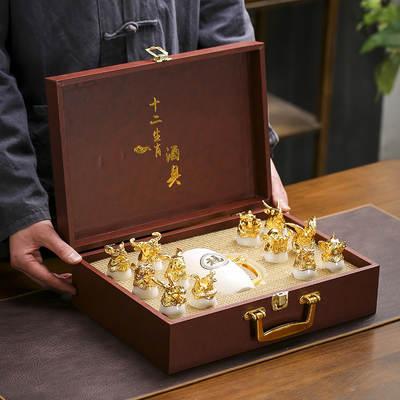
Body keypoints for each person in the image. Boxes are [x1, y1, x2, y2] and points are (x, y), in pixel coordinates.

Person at [0, 0, 289, 295]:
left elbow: (223, 16)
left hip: (185, 188)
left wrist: (251, 147)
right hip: (44, 212)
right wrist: (20, 204)